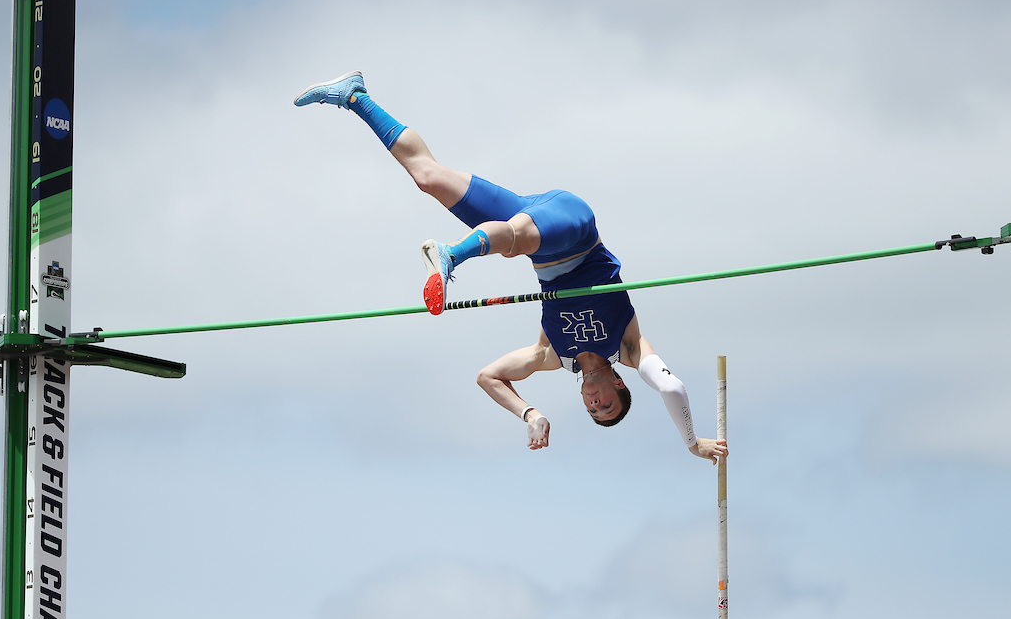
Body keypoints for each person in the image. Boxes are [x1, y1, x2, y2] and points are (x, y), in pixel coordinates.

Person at [295, 71, 727, 463]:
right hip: (573, 228)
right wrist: (692, 443)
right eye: (607, 404)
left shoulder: (551, 356)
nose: (595, 402)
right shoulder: (630, 350)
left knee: (427, 176)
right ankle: (451, 256)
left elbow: (488, 377)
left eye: (592, 410)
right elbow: (671, 387)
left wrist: (529, 413)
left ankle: (354, 95)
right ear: (620, 385)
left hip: (529, 225)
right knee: (515, 240)